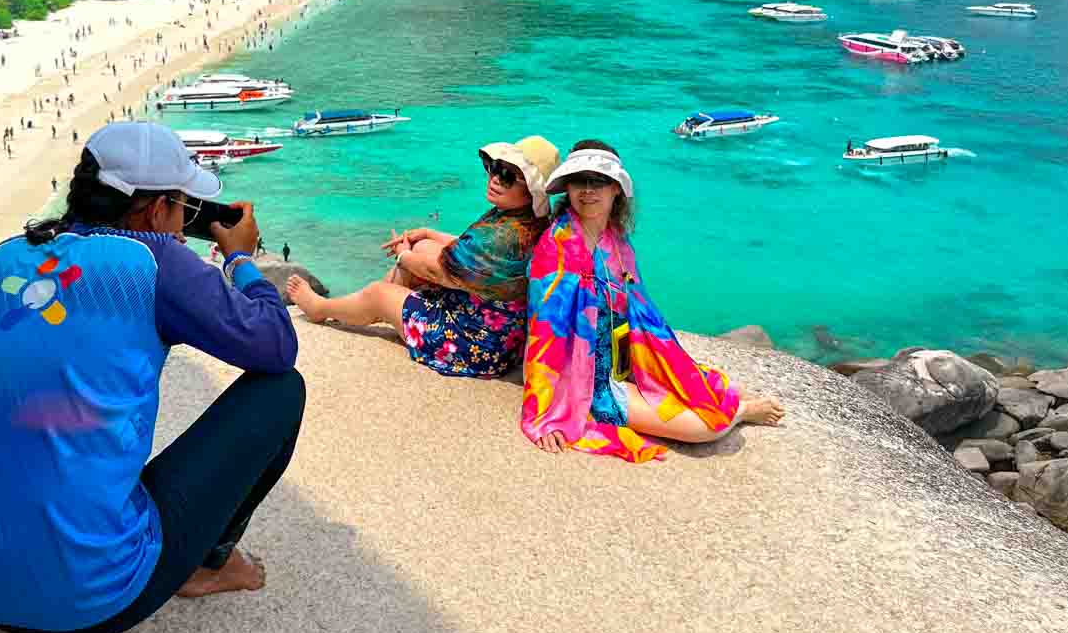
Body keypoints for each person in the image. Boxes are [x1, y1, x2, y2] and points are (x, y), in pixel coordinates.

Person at [0, 123, 305, 633]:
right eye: (182, 207)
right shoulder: (155, 262)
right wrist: (240, 257)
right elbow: (275, 347)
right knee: (282, 392)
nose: (182, 222)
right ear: (155, 210)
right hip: (93, 602)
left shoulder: (7, 258)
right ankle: (207, 566)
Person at [521, 140, 784, 462]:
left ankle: (719, 397)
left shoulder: (615, 238)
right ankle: (741, 412)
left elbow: (640, 309)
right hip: (589, 377)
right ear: (568, 187)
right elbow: (545, 334)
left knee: (703, 387)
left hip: (629, 357)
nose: (588, 191)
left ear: (617, 189)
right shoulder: (556, 246)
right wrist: (547, 410)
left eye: (598, 181)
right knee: (705, 429)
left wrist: (660, 358)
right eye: (579, 181)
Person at [287, 136, 559, 378]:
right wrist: (428, 233)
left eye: (509, 176)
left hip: (473, 344)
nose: (495, 179)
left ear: (532, 191)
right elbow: (466, 252)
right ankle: (383, 308)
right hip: (501, 333)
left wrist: (403, 255)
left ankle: (322, 308)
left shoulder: (502, 237)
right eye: (495, 168)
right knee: (425, 247)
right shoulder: (524, 220)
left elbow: (439, 273)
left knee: (378, 292)